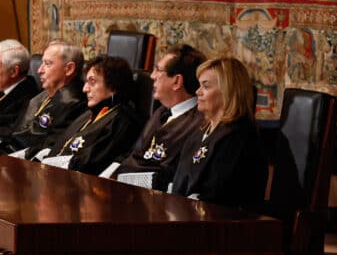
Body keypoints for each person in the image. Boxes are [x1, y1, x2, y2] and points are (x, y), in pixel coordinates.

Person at [103, 43, 205, 189]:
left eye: (158, 70)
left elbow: (170, 176)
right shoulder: (160, 112)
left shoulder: (199, 123)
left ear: (176, 81)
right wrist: (104, 178)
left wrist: (121, 180)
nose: (152, 76)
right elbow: (132, 154)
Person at [170, 56, 267, 207]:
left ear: (227, 92)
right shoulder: (200, 131)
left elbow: (217, 195)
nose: (197, 92)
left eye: (206, 86)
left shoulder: (237, 137)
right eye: (199, 85)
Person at [38, 54, 143, 175]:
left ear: (113, 86)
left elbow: (91, 164)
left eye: (92, 82)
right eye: (86, 82)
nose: (85, 89)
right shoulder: (90, 112)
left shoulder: (123, 121)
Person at [0, 42, 88, 156]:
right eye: (42, 63)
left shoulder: (75, 103)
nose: (39, 70)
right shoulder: (41, 96)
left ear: (69, 69)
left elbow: (51, 147)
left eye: (47, 64)